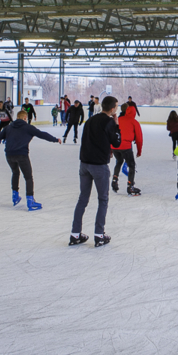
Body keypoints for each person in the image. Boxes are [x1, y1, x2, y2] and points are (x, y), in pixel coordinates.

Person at [0, 110, 60, 210]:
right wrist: (55, 139)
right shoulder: (28, 127)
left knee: (15, 172)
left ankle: (15, 196)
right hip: (22, 155)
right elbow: (42, 134)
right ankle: (30, 201)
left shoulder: (8, 127)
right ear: (25, 118)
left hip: (9, 155)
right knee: (28, 177)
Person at [70, 96, 121, 247]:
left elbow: (89, 139)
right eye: (116, 106)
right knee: (103, 199)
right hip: (99, 165)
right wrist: (116, 125)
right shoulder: (109, 122)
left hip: (84, 163)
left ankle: (75, 234)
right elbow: (117, 142)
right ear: (112, 109)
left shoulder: (91, 120)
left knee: (83, 199)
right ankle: (99, 234)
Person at [112, 103, 143, 196]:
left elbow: (111, 134)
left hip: (114, 146)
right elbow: (139, 139)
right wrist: (139, 151)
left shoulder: (118, 120)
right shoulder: (134, 122)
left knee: (119, 161)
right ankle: (130, 186)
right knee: (131, 165)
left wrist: (110, 149)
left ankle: (114, 180)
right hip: (125, 147)